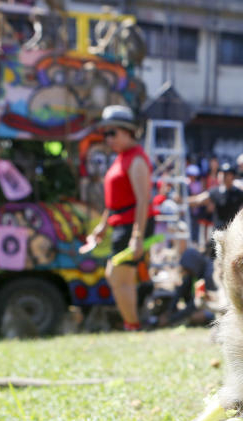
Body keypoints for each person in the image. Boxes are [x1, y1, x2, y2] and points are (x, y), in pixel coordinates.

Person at [82, 105, 156, 332]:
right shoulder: (121, 158)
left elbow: (142, 201)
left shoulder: (136, 160)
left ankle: (133, 324)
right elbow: (113, 202)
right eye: (106, 134)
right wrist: (103, 226)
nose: (108, 139)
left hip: (132, 224)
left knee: (117, 274)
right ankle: (132, 323)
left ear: (127, 131)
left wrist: (137, 236)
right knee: (118, 276)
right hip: (120, 222)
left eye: (112, 133)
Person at [188, 162, 243, 235]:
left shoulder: (239, 193)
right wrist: (182, 201)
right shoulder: (215, 192)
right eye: (221, 173)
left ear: (232, 176)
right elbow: (198, 200)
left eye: (226, 174)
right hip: (219, 233)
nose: (223, 176)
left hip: (234, 233)